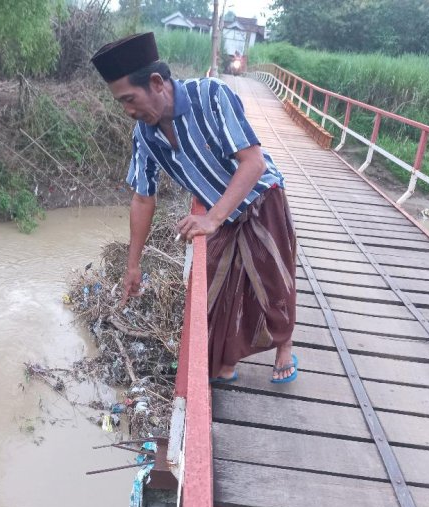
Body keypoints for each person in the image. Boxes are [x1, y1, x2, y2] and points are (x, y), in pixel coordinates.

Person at [90, 32, 297, 383]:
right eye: (120, 103)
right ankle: (226, 359)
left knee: (272, 279)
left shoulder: (211, 96)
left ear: (156, 82)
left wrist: (212, 219)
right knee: (214, 291)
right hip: (218, 212)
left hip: (261, 196)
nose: (127, 111)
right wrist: (133, 266)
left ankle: (284, 346)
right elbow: (143, 198)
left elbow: (253, 163)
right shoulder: (145, 134)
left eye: (129, 99)